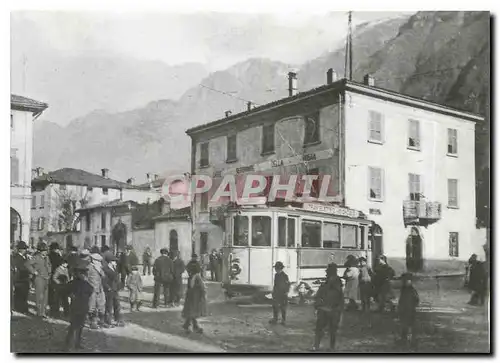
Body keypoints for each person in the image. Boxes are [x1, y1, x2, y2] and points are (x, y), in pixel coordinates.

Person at [310, 263, 344, 352]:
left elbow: (323, 294)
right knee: (331, 329)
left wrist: (317, 304)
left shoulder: (331, 282)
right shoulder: (334, 282)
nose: (327, 273)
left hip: (329, 308)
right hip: (330, 309)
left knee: (321, 328)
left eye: (328, 271)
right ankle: (327, 346)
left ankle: (317, 346)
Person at [64, 259, 94, 351]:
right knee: (79, 326)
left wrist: (70, 295)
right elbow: (91, 291)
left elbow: (65, 291)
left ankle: (69, 344)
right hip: (83, 307)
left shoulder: (71, 284)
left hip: (74, 307)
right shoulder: (86, 284)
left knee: (73, 326)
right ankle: (76, 343)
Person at [26, 242, 52, 318]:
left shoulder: (47, 257)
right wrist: (34, 271)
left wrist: (50, 272)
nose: (45, 252)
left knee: (45, 296)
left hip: (46, 278)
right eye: (43, 250)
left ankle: (43, 312)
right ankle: (39, 312)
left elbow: (49, 265)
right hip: (39, 278)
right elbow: (27, 264)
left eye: (46, 250)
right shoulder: (36, 257)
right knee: (39, 296)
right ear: (40, 251)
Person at [182, 261, 206, 334]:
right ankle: (193, 327)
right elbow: (202, 287)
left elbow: (190, 286)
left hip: (190, 296)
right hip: (196, 296)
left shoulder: (191, 276)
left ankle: (188, 325)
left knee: (191, 310)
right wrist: (203, 294)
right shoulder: (198, 277)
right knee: (193, 311)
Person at [397, 272, 419, 348]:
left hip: (409, 311)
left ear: (409, 281)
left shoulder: (411, 290)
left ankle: (410, 342)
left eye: (404, 280)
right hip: (404, 311)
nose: (403, 282)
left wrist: (412, 307)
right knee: (404, 327)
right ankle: (405, 341)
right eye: (403, 281)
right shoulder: (404, 289)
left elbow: (416, 300)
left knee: (409, 327)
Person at [103, 254, 124, 326]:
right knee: (109, 306)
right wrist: (108, 288)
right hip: (109, 290)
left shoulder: (115, 269)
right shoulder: (105, 269)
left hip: (115, 290)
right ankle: (108, 321)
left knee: (117, 305)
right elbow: (104, 281)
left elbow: (117, 280)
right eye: (114, 261)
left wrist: (119, 286)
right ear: (110, 262)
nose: (116, 263)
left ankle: (118, 319)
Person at [87, 253, 107, 329]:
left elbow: (104, 276)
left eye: (99, 261)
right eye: (97, 261)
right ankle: (92, 322)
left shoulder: (99, 268)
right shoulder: (89, 267)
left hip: (99, 289)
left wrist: (100, 270)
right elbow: (86, 278)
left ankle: (101, 321)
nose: (99, 262)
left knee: (101, 305)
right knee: (92, 306)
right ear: (93, 260)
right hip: (92, 290)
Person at [11, 241, 31, 314]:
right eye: (24, 249)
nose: (25, 250)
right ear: (20, 249)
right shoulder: (16, 257)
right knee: (19, 294)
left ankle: (23, 308)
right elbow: (20, 267)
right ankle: (20, 308)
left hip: (25, 278)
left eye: (25, 249)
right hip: (20, 278)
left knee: (24, 294)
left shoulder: (25, 257)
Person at [48, 242, 64, 317]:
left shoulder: (48, 256)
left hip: (51, 277)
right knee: (57, 295)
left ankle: (52, 311)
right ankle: (56, 311)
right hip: (57, 277)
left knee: (51, 294)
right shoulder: (58, 256)